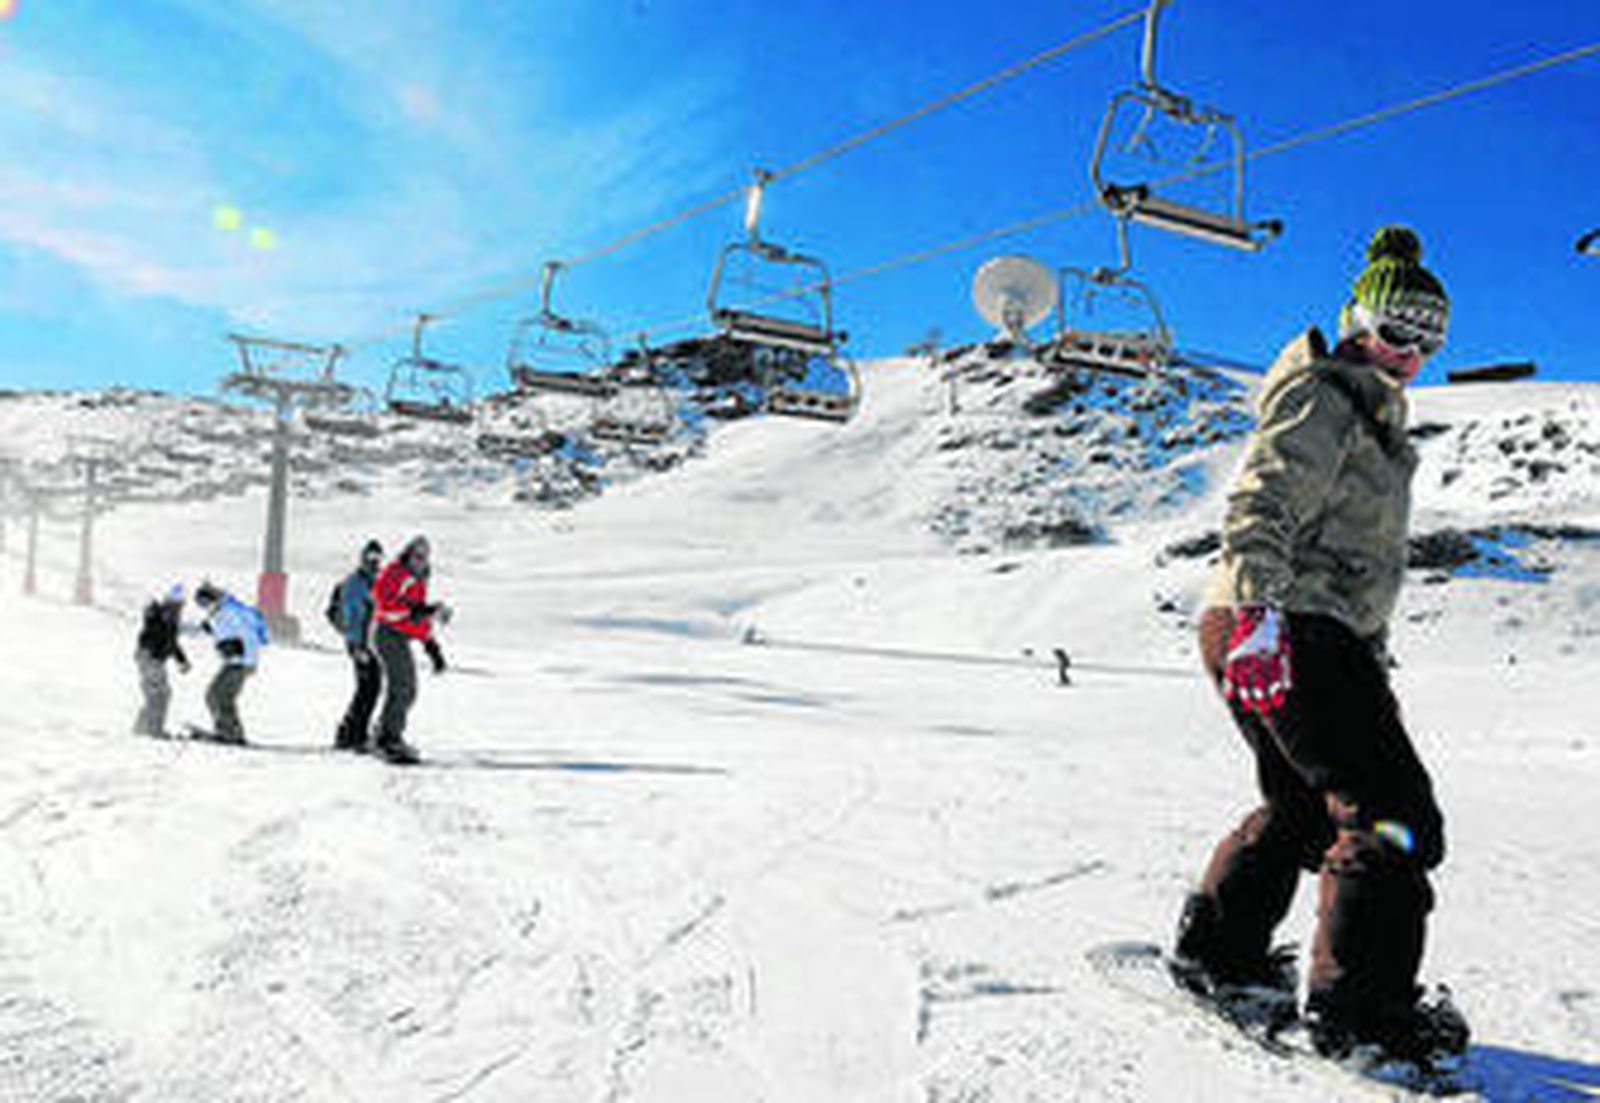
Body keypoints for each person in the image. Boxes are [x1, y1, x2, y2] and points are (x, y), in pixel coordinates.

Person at [1174, 226, 1468, 1063]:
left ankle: (1218, 954)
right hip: (1284, 622)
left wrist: (1357, 663)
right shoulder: (1327, 394)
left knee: (1304, 807)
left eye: (1428, 339)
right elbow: (1262, 498)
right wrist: (1264, 613)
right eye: (1394, 330)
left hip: (1275, 626)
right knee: (1392, 816)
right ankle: (1361, 1014)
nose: (1410, 352)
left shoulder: (1367, 409)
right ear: (1356, 318)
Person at [370, 535, 450, 765]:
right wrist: (423, 612)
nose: (420, 561)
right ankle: (387, 738)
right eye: (416, 555)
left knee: (409, 689)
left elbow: (416, 615)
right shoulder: (395, 573)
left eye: (425, 557)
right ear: (407, 554)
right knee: (403, 686)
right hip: (386, 634)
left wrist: (432, 646)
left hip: (399, 636)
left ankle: (384, 732)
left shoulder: (418, 579)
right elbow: (385, 608)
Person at [192, 580, 269, 745]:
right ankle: (229, 731)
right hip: (238, 661)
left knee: (218, 695)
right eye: (201, 605)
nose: (204, 607)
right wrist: (213, 631)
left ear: (213, 598)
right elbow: (229, 630)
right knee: (218, 695)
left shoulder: (230, 610)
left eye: (205, 603)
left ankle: (229, 733)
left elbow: (249, 632)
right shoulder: (223, 610)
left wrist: (238, 648)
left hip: (240, 662)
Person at [330, 538, 385, 752]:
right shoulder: (355, 583)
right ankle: (350, 734)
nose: (374, 562)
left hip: (371, 643)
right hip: (360, 644)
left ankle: (355, 733)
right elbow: (353, 617)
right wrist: (357, 646)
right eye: (371, 558)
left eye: (378, 558)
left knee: (371, 688)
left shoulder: (372, 581)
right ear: (362, 558)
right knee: (367, 688)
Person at [133, 583, 191, 737]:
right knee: (159, 694)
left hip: (151, 657)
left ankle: (143, 727)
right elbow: (152, 624)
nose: (180, 608)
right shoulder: (164, 614)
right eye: (179, 604)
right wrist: (152, 611)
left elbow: (171, 641)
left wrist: (181, 660)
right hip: (150, 657)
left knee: (157, 694)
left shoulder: (168, 616)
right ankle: (153, 730)